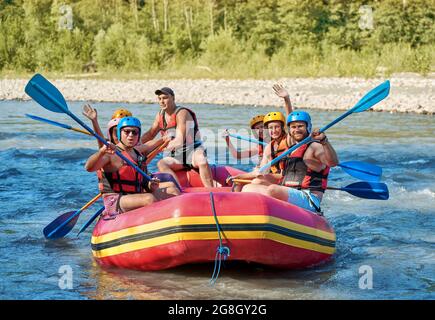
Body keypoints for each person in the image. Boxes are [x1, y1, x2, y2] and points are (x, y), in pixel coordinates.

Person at [242, 111, 339, 213]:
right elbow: (280, 175)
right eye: (293, 127)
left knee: (273, 190)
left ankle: (269, 213)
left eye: (300, 126)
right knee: (248, 188)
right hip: (288, 193)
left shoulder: (315, 146)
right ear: (289, 130)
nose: (296, 130)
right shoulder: (290, 150)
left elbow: (333, 163)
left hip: (309, 198)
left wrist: (324, 141)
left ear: (308, 127)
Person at [85, 117, 180, 217]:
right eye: (127, 132)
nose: (131, 135)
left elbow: (142, 181)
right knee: (149, 199)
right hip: (115, 200)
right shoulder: (111, 154)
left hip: (134, 195)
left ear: (138, 135)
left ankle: (175, 220)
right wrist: (100, 152)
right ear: (119, 133)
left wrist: (150, 185)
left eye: (134, 132)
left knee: (172, 191)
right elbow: (89, 167)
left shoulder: (137, 154)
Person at [140, 87, 214, 188]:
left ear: (173, 98)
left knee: (202, 160)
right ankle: (179, 191)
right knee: (161, 164)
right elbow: (150, 134)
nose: (162, 101)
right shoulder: (160, 115)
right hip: (177, 156)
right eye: (159, 98)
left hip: (193, 151)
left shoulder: (182, 113)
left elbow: (179, 141)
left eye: (165, 98)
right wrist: (136, 146)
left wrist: (159, 148)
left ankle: (211, 191)